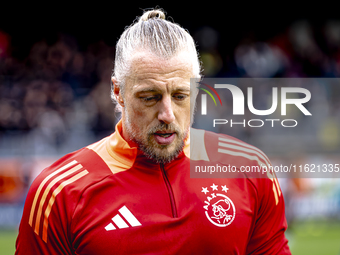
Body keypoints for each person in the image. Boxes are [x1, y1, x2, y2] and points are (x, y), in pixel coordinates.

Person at [16, 9, 291, 254]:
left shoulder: (249, 169)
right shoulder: (60, 192)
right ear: (117, 92)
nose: (167, 114)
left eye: (181, 95)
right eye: (149, 97)